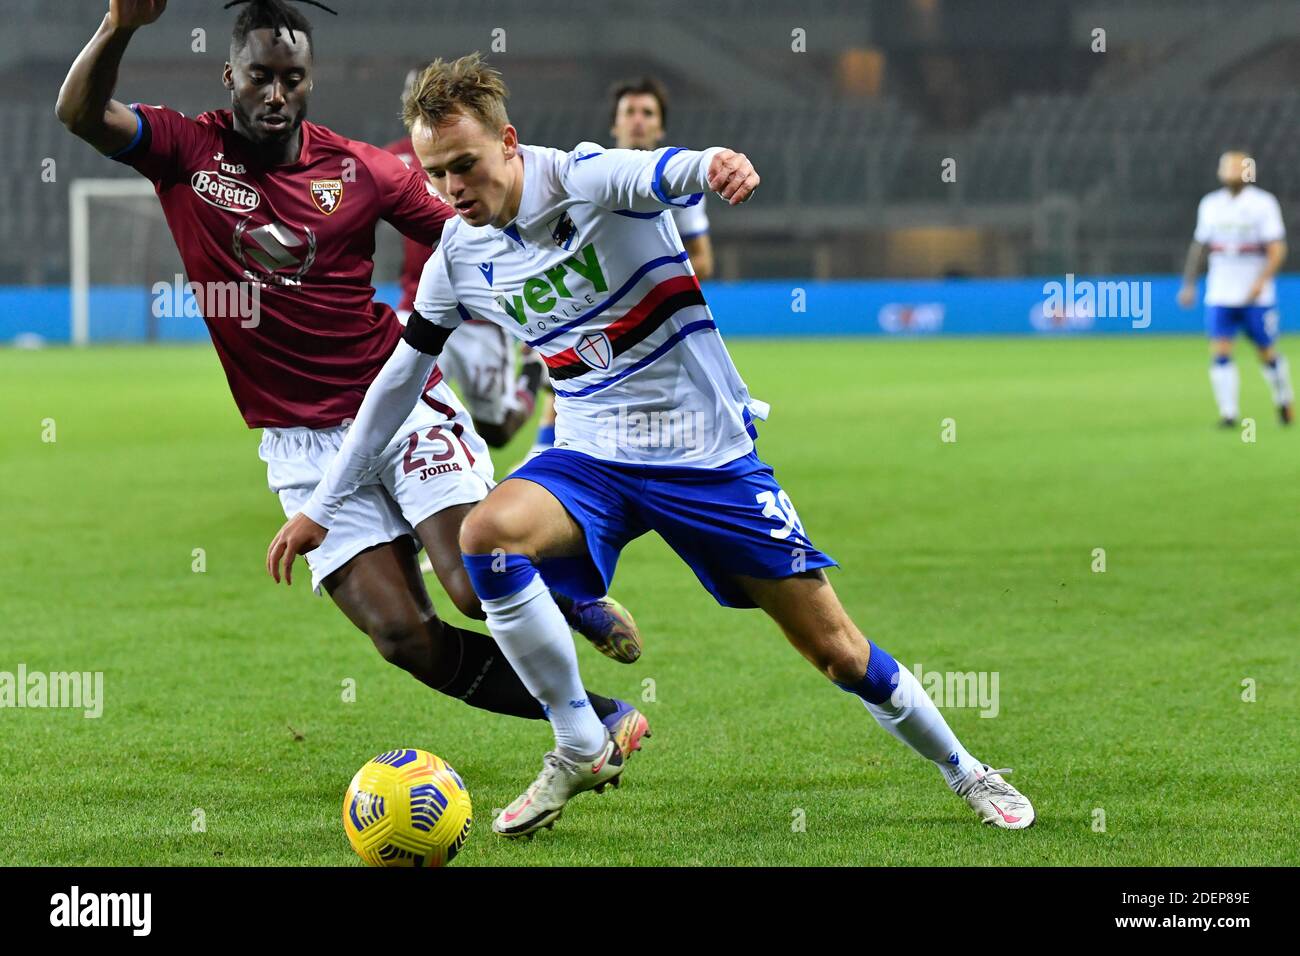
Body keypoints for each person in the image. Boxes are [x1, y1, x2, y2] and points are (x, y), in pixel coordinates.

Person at [269, 53, 1034, 838]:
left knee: (836, 652)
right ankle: (578, 740)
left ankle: (965, 769)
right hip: (593, 456)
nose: (452, 189)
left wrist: (716, 165)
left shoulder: (584, 179)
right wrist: (324, 508)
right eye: (435, 174)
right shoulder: (461, 254)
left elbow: (662, 173)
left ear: (509, 142)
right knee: (484, 540)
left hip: (703, 457)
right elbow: (399, 381)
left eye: (464, 165)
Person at [58, 1, 647, 748]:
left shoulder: (362, 170)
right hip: (297, 444)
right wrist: (119, 25)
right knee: (405, 639)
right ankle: (599, 716)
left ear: (310, 81)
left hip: (399, 406)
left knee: (471, 584)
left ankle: (564, 588)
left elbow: (482, 225)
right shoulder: (184, 149)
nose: (276, 95)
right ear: (229, 74)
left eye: (292, 79)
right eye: (260, 77)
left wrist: (586, 296)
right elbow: (80, 114)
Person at [524, 75, 713, 462]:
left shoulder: (677, 184)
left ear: (660, 126)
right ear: (615, 124)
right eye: (629, 112)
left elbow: (704, 261)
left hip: (655, 317)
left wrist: (647, 282)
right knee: (574, 369)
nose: (638, 120)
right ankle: (547, 446)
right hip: (593, 308)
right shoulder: (586, 180)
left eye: (647, 112)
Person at [385, 68, 546, 449]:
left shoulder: (485, 153)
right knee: (394, 412)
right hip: (418, 307)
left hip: (482, 318)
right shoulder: (391, 161)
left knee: (497, 431)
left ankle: (533, 377)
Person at [1178, 150, 1291, 426]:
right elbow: (1200, 246)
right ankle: (1229, 414)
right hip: (1221, 293)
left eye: (1238, 168)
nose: (1231, 172)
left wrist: (1261, 281)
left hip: (1256, 297)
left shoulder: (1263, 204)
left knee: (1266, 352)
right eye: (1227, 167)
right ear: (1220, 172)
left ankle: (1283, 398)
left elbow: (1277, 249)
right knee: (1220, 351)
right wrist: (1189, 284)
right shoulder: (1210, 205)